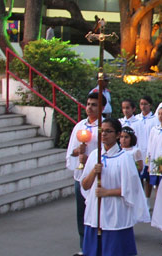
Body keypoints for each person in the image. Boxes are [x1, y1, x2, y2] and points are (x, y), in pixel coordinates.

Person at [79, 119, 150, 256]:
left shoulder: (124, 158)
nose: (104, 134)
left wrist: (107, 192)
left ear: (118, 135)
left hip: (115, 212)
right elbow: (85, 185)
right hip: (96, 213)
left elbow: (131, 189)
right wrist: (94, 171)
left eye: (108, 131)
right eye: (102, 131)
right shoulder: (95, 155)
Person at [66, 92, 102, 256]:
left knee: (97, 214)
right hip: (81, 177)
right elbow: (71, 152)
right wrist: (77, 151)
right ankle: (84, 247)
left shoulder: (104, 127)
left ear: (101, 107)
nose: (89, 107)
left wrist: (90, 159)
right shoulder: (79, 126)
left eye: (94, 104)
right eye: (88, 104)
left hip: (97, 177)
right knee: (82, 213)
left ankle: (99, 248)